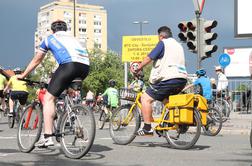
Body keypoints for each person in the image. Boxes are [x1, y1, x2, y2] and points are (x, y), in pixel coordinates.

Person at [17, 20, 90, 147]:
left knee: (49, 98)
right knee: (65, 89)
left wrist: (23, 75)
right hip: (85, 67)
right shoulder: (73, 38)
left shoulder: (49, 38)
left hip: (69, 66)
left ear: (52, 30)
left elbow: (37, 59)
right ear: (65, 30)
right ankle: (70, 114)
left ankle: (47, 137)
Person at [134, 26, 187, 136]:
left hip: (168, 79)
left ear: (161, 36)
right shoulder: (179, 46)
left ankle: (147, 128)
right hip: (182, 79)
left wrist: (139, 67)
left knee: (145, 98)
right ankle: (167, 124)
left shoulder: (163, 43)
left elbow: (150, 57)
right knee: (165, 100)